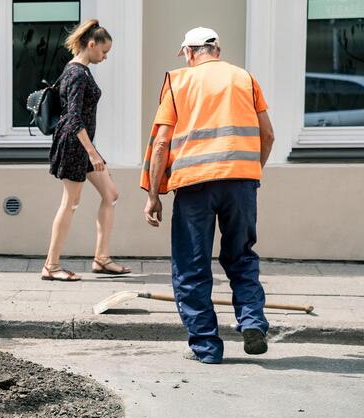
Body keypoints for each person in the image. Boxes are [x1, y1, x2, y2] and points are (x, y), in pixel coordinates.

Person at [140, 27, 275, 363]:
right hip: (240, 183)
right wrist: (249, 172)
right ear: (217, 49)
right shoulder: (244, 78)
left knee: (191, 265)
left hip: (194, 186)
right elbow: (268, 135)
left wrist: (154, 194)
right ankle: (252, 321)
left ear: (188, 52)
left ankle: (207, 347)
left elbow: (160, 144)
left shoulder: (179, 81)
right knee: (241, 256)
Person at [41, 19, 131, 282]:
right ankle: (51, 265)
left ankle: (101, 259)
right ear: (91, 45)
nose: (105, 57)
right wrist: (92, 153)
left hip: (82, 145)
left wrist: (92, 151)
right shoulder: (77, 74)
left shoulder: (79, 70)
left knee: (111, 194)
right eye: (104, 52)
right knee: (70, 203)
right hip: (75, 146)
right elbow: (73, 118)